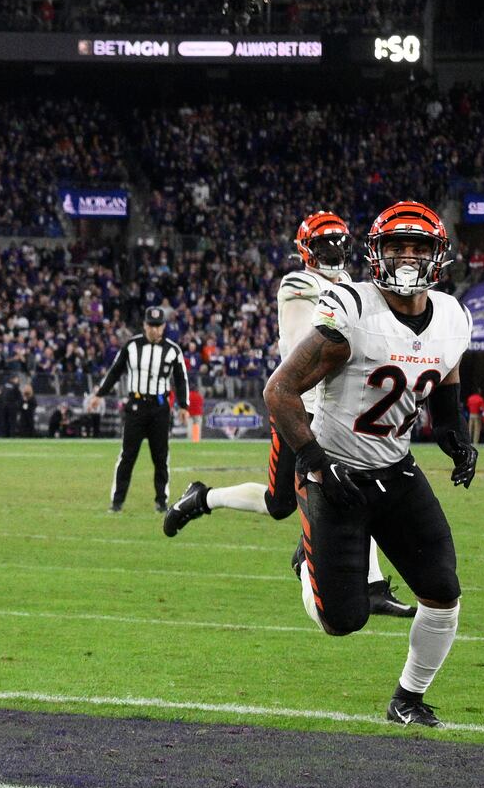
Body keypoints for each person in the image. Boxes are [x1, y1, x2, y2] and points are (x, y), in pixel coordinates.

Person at [263, 202, 476, 728]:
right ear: (375, 254)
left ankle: (408, 698)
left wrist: (457, 439)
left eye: (418, 247)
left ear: (437, 255)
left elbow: (444, 387)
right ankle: (306, 562)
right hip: (336, 474)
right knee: (343, 621)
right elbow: (280, 391)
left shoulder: (453, 315)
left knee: (443, 590)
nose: (407, 257)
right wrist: (313, 461)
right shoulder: (353, 306)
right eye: (397, 247)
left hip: (397, 471)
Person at [163, 213, 410, 617]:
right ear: (307, 251)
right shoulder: (299, 284)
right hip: (301, 409)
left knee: (336, 486)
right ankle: (203, 498)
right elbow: (303, 346)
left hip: (333, 407)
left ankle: (369, 584)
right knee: (292, 500)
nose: (333, 250)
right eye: (324, 244)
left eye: (338, 242)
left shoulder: (351, 286)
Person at [88, 306, 187, 513]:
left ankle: (161, 501)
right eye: (151, 326)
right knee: (127, 456)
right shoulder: (132, 346)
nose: (154, 330)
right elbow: (115, 371)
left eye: (158, 326)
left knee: (161, 457)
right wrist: (99, 394)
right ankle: (117, 502)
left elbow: (181, 379)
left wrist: (184, 406)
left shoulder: (172, 350)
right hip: (135, 407)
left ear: (164, 327)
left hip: (160, 408)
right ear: (144, 325)